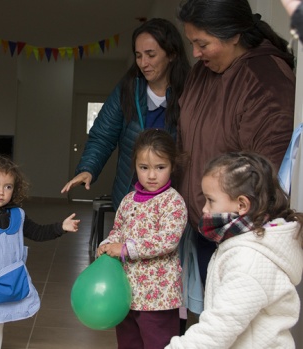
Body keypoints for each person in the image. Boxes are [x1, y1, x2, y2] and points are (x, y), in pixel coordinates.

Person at [176, 0, 296, 316]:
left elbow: (263, 177)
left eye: (202, 44)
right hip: (205, 226)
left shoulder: (265, 78)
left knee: (231, 326)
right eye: (192, 43)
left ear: (234, 35)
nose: (195, 54)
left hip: (238, 237)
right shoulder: (202, 72)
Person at [167, 152, 303, 349]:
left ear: (241, 204)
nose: (204, 209)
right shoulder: (243, 243)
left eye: (210, 200)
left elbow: (217, 330)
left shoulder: (250, 260)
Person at [61, 18, 190, 208]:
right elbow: (103, 136)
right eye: (138, 56)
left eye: (151, 55)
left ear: (171, 54)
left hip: (175, 198)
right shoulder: (127, 90)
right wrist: (88, 169)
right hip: (132, 196)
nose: (143, 63)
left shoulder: (191, 91)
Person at [0, 151, 80, 349]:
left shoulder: (17, 215)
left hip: (6, 280)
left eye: (8, 187)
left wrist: (60, 227)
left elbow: (38, 232)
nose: (1, 192)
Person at [97, 129, 187, 349]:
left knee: (158, 343)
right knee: (128, 343)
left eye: (160, 167)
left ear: (172, 166)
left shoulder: (173, 202)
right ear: (135, 165)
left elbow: (168, 240)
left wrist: (125, 249)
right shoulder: (128, 200)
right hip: (127, 293)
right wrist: (107, 245)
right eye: (144, 168)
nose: (152, 175)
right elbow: (118, 229)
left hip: (158, 298)